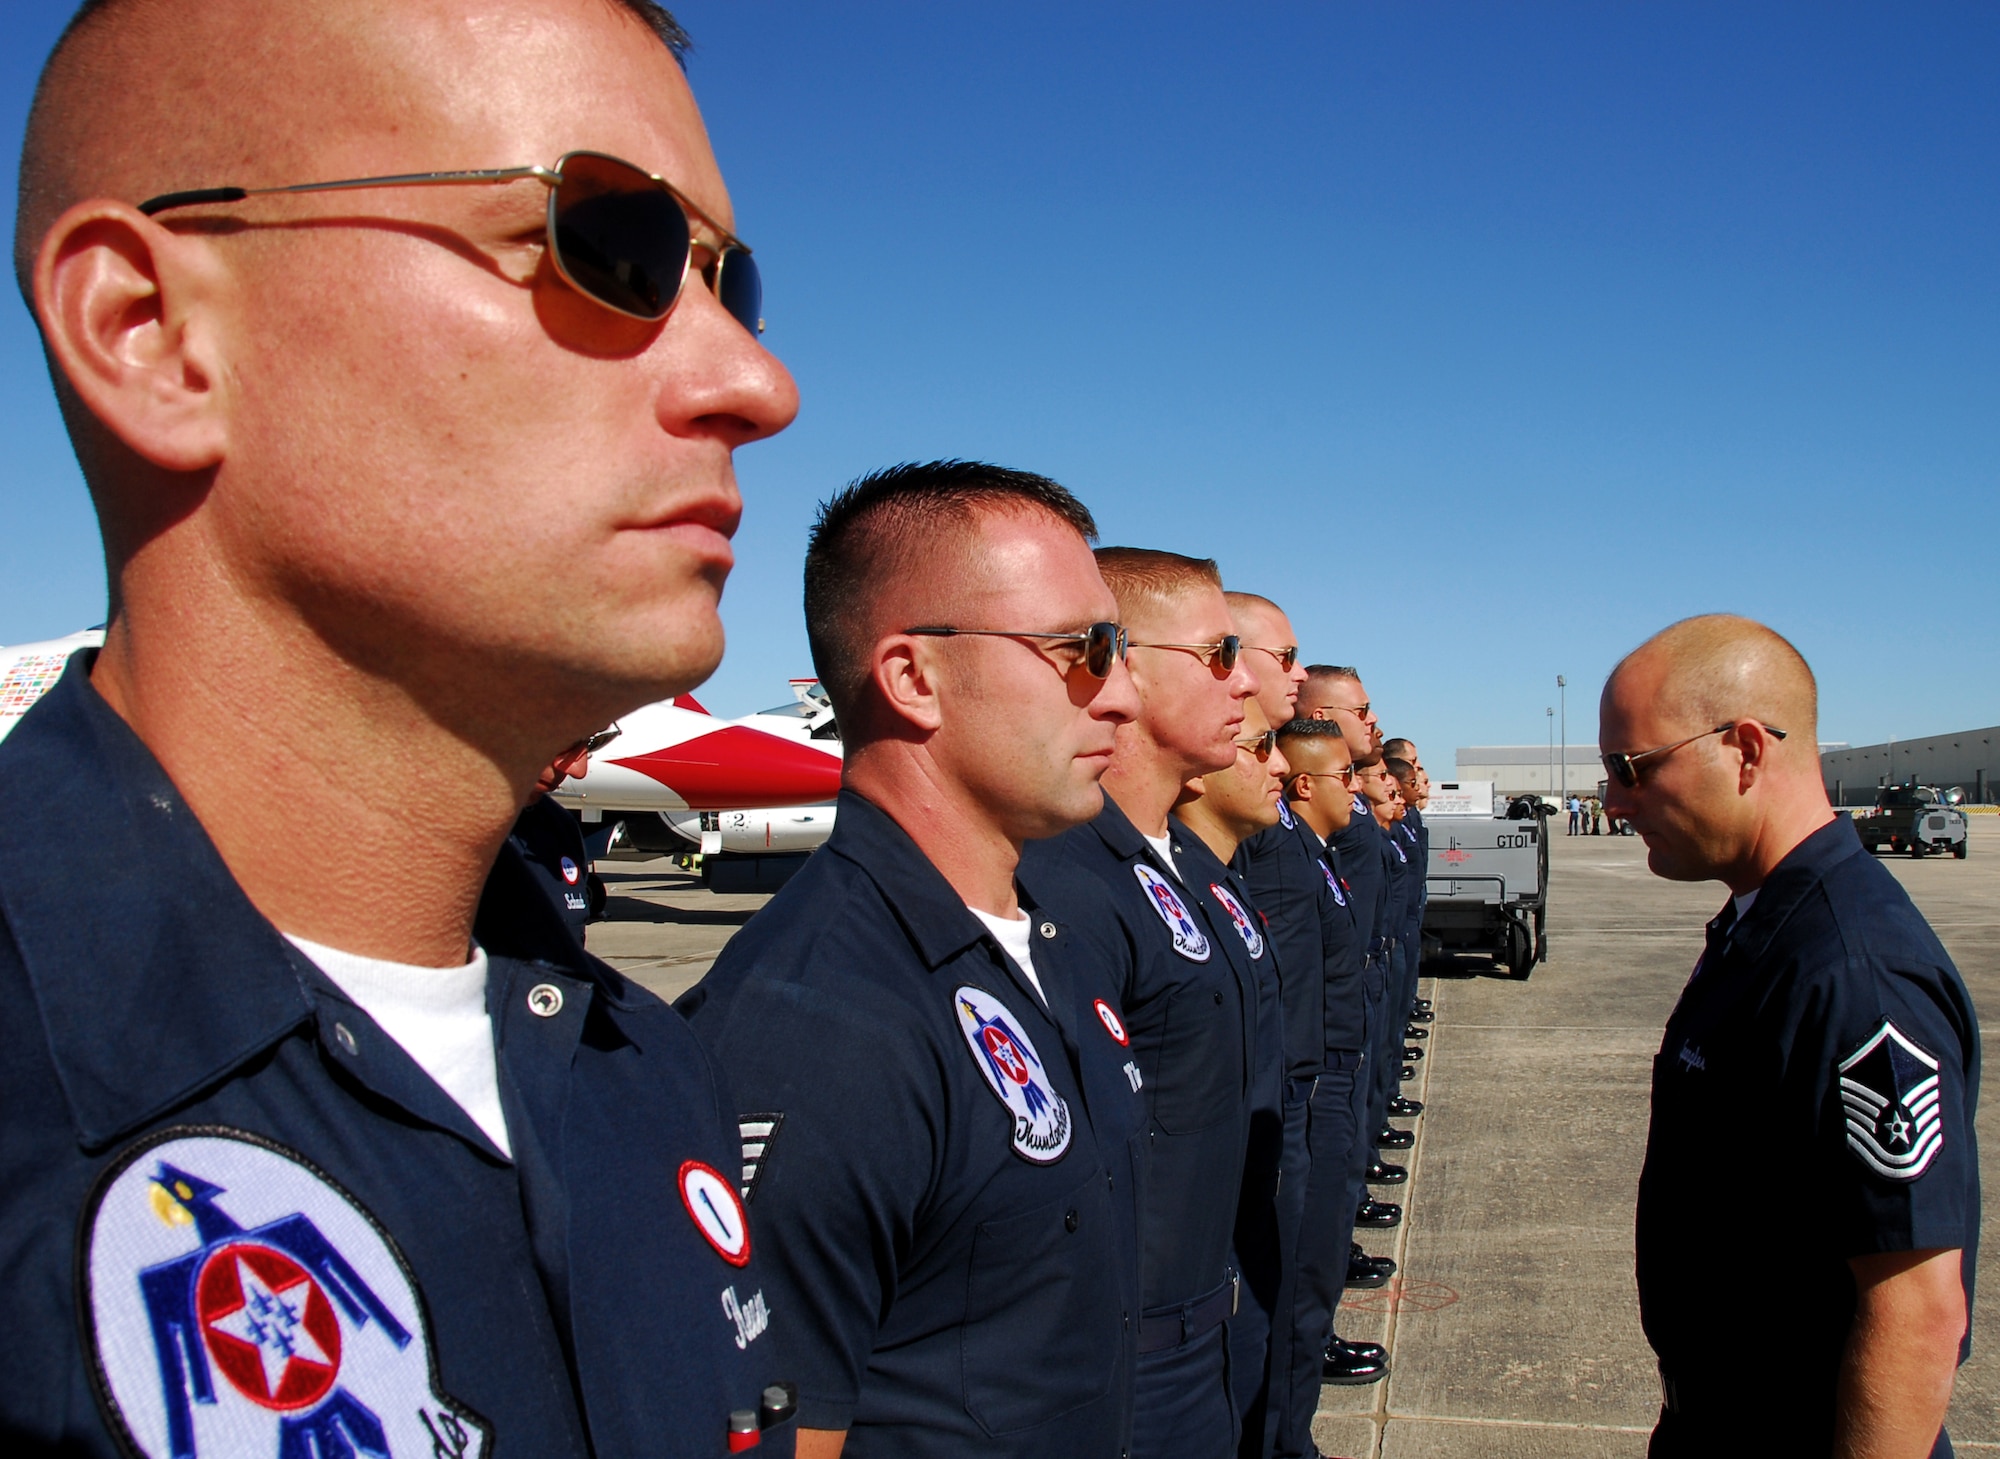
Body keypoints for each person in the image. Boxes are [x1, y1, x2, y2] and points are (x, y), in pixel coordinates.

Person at [2, 1, 802, 1455]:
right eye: (605, 245)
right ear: (151, 333)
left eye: (726, 284)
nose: (757, 384)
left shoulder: (643, 1065)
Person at [677, 463, 1148, 1459]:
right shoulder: (821, 1026)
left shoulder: (1038, 942)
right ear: (910, 678)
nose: (1124, 696)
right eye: (1083, 650)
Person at [1602, 615, 1980, 1458]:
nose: (1613, 801)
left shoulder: (1853, 971)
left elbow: (1916, 1311)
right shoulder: (1766, 926)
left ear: (1744, 748)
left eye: (1631, 768)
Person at [1021, 548, 1259, 1459]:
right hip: (1132, 1358)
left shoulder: (1176, 862)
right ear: (1122, 661)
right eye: (1217, 651)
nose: (1242, 682)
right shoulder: (1069, 881)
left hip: (1205, 1317)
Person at [1175, 699, 1294, 1459]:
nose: (1277, 763)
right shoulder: (1136, 889)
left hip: (1249, 1191)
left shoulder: (1214, 881)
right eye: (1259, 746)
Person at [511, 735, 606, 944]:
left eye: (591, 744)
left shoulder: (560, 828)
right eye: (568, 741)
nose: (578, 770)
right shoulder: (429, 831)